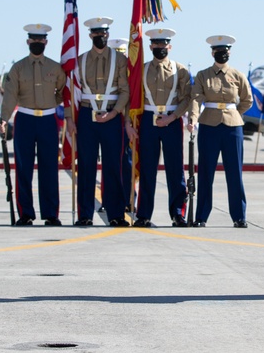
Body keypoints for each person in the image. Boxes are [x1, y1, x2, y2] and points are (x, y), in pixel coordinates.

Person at [0, 24, 65, 226]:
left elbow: (63, 91)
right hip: (25, 119)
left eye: (41, 40)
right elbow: (10, 95)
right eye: (34, 40)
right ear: (28, 42)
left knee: (49, 168)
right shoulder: (18, 68)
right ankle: (25, 213)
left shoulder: (55, 68)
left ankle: (51, 214)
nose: (37, 43)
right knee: (23, 168)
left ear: (46, 42)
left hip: (48, 120)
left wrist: (51, 106)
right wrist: (4, 119)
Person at [66, 16, 129, 226]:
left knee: (113, 166)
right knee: (86, 166)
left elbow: (125, 91)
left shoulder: (120, 60)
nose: (100, 37)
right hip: (86, 115)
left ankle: (116, 214)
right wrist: (69, 118)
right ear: (90, 35)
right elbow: (71, 91)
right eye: (96, 34)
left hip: (111, 116)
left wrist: (114, 114)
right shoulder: (80, 60)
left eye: (103, 34)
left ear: (108, 34)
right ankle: (85, 214)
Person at [128, 28, 193, 228]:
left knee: (175, 169)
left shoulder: (180, 70)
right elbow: (133, 96)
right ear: (150, 46)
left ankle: (177, 214)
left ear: (170, 46)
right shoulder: (143, 69)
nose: (160, 48)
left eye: (163, 45)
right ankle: (144, 214)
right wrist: (129, 123)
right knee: (147, 169)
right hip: (148, 119)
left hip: (172, 120)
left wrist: (172, 118)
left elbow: (187, 98)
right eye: (156, 45)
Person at [190, 35, 252, 228]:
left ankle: (239, 216)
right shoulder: (203, 75)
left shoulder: (238, 75)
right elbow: (195, 99)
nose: (221, 54)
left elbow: (247, 100)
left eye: (224, 51)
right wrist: (192, 119)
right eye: (218, 51)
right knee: (206, 173)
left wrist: (234, 114)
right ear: (212, 53)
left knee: (235, 173)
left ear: (230, 52)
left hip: (232, 127)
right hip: (209, 125)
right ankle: (201, 216)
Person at [108, 36, 136, 214]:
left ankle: (129, 197)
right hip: (111, 117)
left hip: (128, 119)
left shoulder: (133, 71)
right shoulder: (109, 68)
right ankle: (109, 198)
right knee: (110, 162)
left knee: (128, 162)